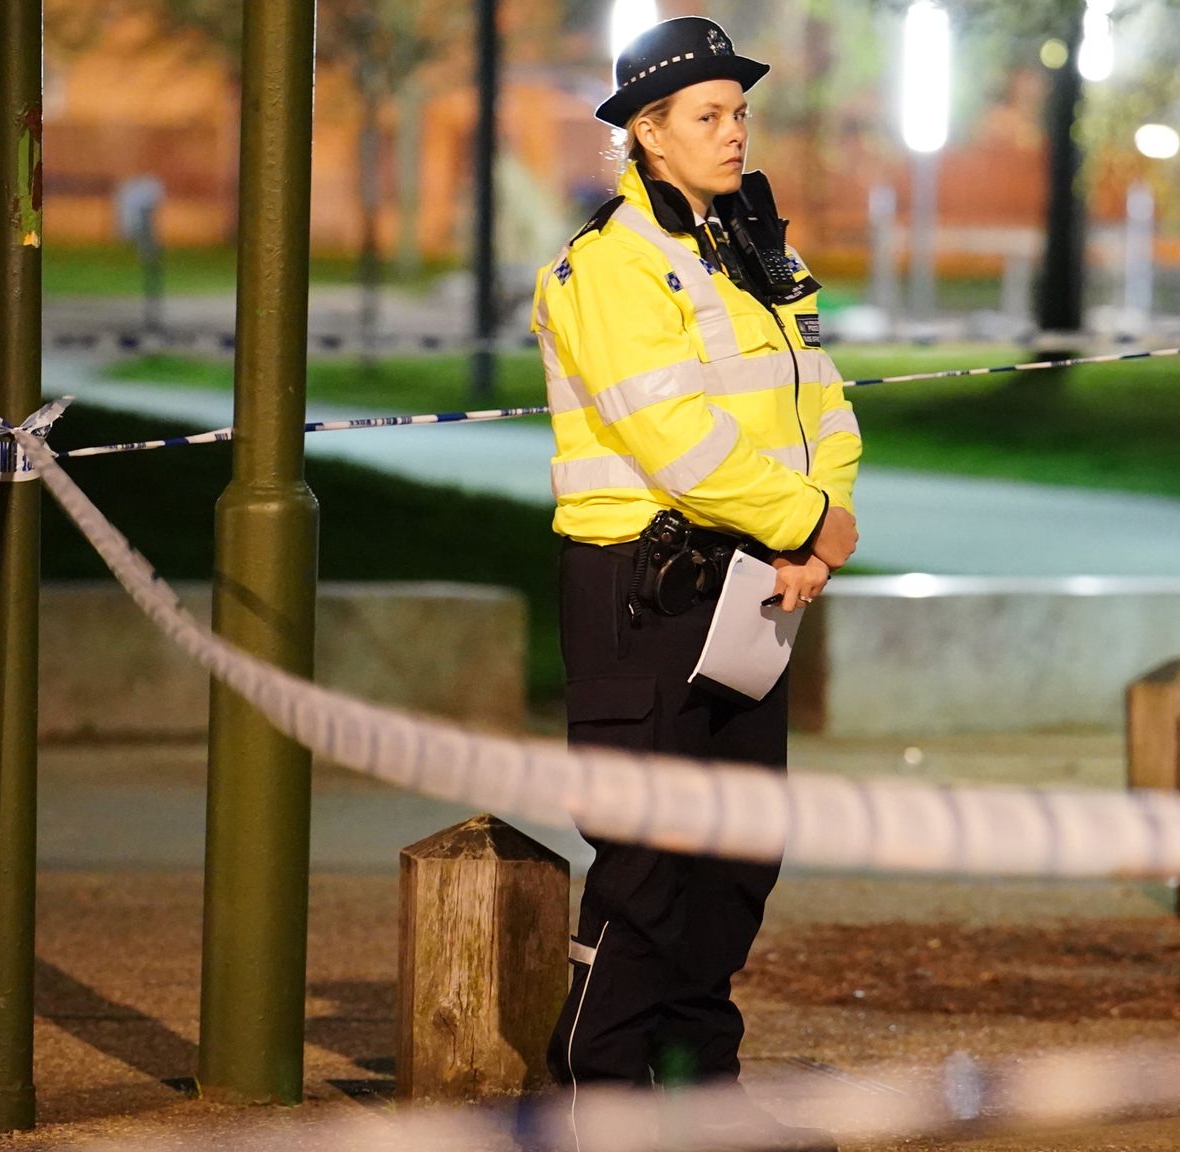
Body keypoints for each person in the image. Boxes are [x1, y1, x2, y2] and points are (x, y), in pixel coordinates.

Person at [526, 16, 860, 1152]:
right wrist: (807, 520)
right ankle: (593, 1096)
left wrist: (811, 534)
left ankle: (701, 1093)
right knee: (652, 857)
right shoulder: (606, 268)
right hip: (642, 587)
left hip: (750, 582)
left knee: (735, 856)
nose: (731, 133)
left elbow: (824, 404)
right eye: (706, 116)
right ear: (645, 135)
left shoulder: (757, 254)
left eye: (738, 113)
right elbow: (674, 439)